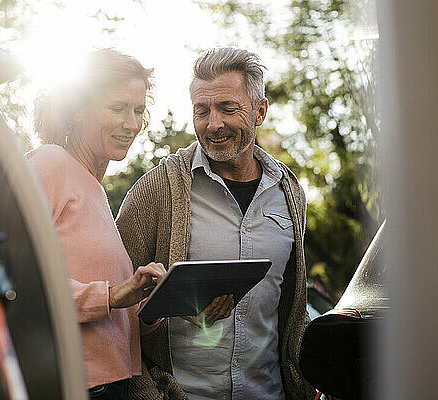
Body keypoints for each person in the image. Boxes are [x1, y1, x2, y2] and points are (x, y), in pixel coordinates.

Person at [117, 47, 315, 399]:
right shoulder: (156, 191)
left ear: (260, 111)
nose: (213, 124)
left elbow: (292, 309)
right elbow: (113, 304)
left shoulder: (290, 193)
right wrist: (163, 309)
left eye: (228, 108)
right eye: (201, 110)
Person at [26, 48, 166, 400]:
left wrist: (150, 305)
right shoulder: (49, 163)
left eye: (137, 110)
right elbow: (19, 276)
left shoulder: (96, 190)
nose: (131, 123)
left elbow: (111, 315)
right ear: (78, 109)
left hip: (112, 385)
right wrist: (110, 294)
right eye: (117, 108)